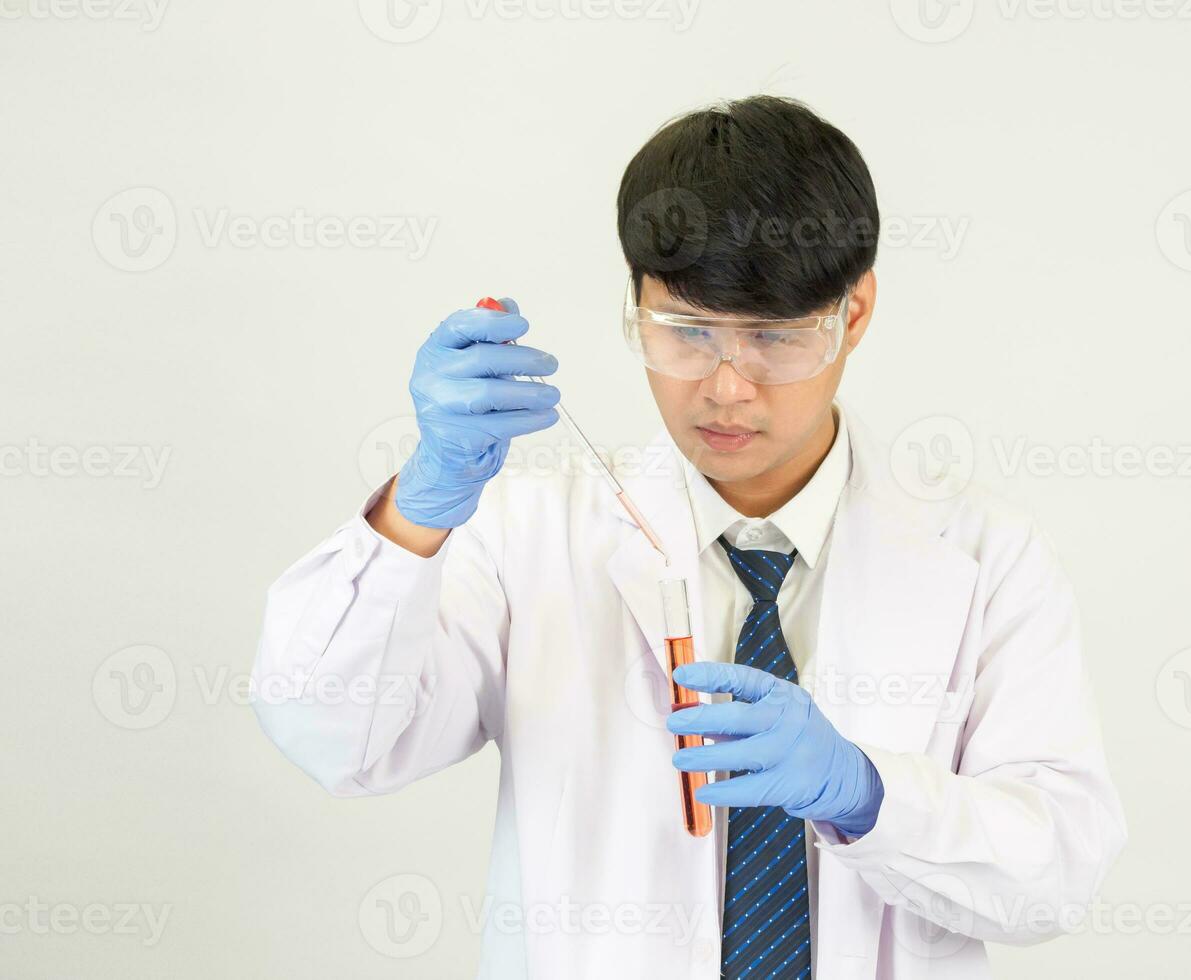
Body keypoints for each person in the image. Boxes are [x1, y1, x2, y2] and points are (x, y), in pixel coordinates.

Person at [250, 96, 1126, 979]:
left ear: (853, 312)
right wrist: (418, 511)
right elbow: (336, 740)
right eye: (685, 332)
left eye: (774, 338)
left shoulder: (986, 557)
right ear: (634, 301)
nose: (725, 387)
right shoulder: (528, 536)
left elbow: (1055, 874)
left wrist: (866, 795)